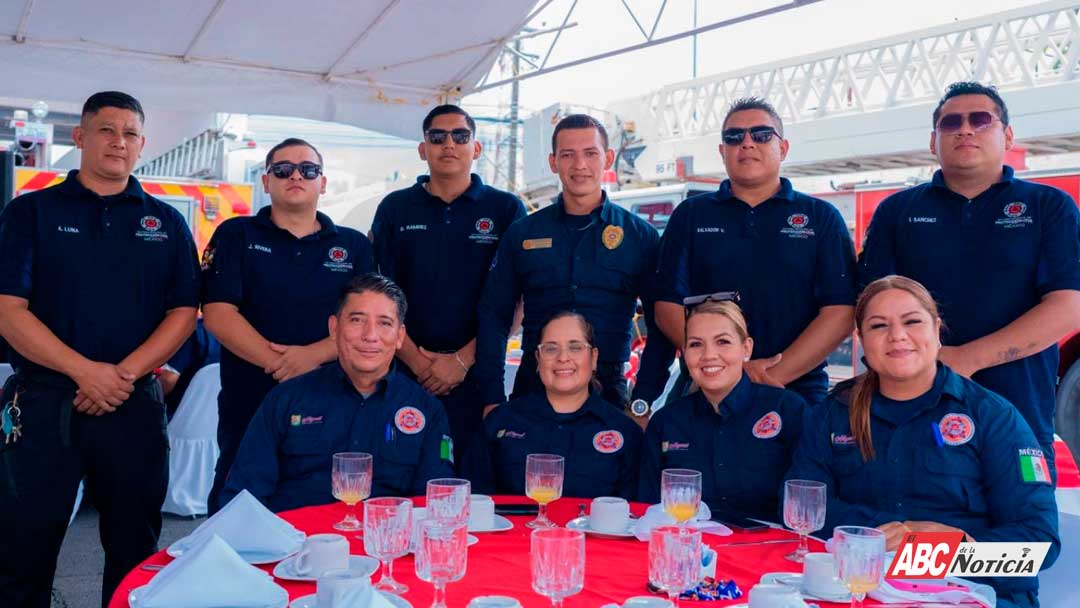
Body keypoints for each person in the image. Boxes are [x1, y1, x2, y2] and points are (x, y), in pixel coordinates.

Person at [0, 91, 200, 608]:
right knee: (25, 546)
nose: (119, 142)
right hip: (45, 406)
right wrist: (85, 372)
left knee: (136, 551)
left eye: (130, 133)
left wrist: (122, 376)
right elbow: (9, 310)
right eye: (107, 130)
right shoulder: (31, 212)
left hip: (131, 404)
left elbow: (183, 314)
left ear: (142, 146)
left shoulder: (167, 222)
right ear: (80, 136)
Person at [786, 275, 1059, 607]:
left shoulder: (993, 417)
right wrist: (886, 539)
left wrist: (952, 551)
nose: (898, 336)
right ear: (861, 340)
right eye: (878, 326)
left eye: (912, 321)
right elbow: (806, 509)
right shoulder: (831, 414)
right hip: (861, 590)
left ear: (937, 329)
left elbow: (1039, 546)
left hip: (974, 593)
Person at [858, 82, 1080, 477]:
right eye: (950, 123)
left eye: (980, 120)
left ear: (1007, 135)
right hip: (911, 416)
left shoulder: (1049, 207)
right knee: (915, 535)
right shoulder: (897, 211)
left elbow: (1069, 307)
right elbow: (870, 308)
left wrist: (965, 360)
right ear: (933, 141)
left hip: (1019, 416)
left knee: (1022, 538)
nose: (965, 130)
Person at [202, 138, 374, 512]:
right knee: (237, 508)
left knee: (326, 509)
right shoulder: (236, 234)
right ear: (266, 181)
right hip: (250, 396)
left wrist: (311, 357)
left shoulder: (354, 245)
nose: (296, 175)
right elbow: (217, 312)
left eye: (308, 169)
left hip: (333, 399)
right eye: (283, 169)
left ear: (322, 183)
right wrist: (282, 364)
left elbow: (366, 320)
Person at [654, 97, 856, 407]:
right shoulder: (691, 216)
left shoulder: (821, 217)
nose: (747, 143)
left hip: (794, 389)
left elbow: (840, 313)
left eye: (761, 135)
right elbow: (667, 306)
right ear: (723, 152)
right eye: (734, 137)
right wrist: (719, 367)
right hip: (706, 392)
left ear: (783, 148)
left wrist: (768, 374)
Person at [475, 113, 661, 415]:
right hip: (534, 385)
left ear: (608, 158)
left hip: (607, 390)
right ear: (553, 162)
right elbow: (494, 316)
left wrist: (642, 401)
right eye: (568, 155)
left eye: (590, 153)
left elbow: (660, 327)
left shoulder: (640, 237)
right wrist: (493, 397)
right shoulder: (523, 234)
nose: (580, 165)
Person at [371, 105, 526, 464]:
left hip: (478, 373)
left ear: (477, 147)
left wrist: (463, 359)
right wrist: (416, 359)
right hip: (406, 370)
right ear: (423, 149)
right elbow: (379, 296)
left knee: (472, 480)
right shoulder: (396, 208)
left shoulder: (505, 209)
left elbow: (516, 299)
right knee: (401, 475)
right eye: (437, 137)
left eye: (460, 135)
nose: (449, 144)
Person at [222, 274, 454, 512]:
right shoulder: (286, 399)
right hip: (297, 543)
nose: (370, 335)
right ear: (334, 328)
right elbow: (243, 496)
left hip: (384, 543)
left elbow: (434, 506)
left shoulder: (427, 410)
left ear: (400, 337)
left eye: (384, 323)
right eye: (357, 320)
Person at [639, 299, 806, 522]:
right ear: (685, 353)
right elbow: (647, 508)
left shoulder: (788, 410)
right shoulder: (666, 422)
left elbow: (807, 501)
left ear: (746, 348)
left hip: (765, 550)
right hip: (688, 548)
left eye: (723, 342)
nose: (709, 355)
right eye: (696, 344)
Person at [465, 312, 642, 499]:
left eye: (575, 347)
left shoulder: (625, 432)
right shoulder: (500, 422)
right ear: (538, 358)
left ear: (594, 358)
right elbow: (474, 501)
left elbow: (635, 516)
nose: (563, 357)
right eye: (550, 349)